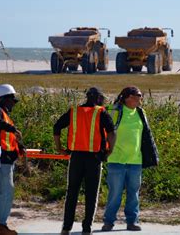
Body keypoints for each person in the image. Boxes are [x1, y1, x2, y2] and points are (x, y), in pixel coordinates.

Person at [53, 87, 116, 235]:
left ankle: (66, 228)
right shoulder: (101, 112)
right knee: (91, 194)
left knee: (72, 193)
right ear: (99, 98)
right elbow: (112, 133)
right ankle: (86, 228)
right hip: (94, 159)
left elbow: (57, 127)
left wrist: (59, 147)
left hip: (76, 158)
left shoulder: (74, 111)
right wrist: (109, 151)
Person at [101, 86, 159, 232]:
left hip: (135, 161)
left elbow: (147, 135)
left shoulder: (141, 112)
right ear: (127, 97)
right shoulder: (113, 111)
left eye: (140, 96)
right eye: (137, 96)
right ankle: (108, 222)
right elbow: (101, 126)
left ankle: (132, 221)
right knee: (115, 193)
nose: (140, 99)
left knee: (133, 193)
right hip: (116, 159)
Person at [0, 84, 24, 235]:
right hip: (2, 159)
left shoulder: (4, 113)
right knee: (6, 192)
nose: (13, 104)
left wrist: (20, 146)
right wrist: (11, 129)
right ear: (5, 99)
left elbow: (8, 137)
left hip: (5, 158)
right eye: (12, 100)